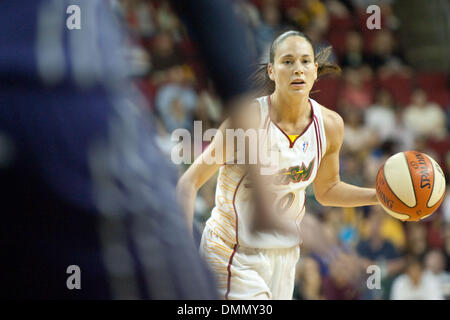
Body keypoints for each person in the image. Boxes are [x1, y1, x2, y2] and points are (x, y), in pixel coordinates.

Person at [176, 30, 380, 300]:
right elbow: (189, 182)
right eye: (288, 61)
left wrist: (379, 196)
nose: (298, 69)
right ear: (272, 71)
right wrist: (181, 253)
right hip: (230, 252)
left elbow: (327, 190)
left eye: (305, 61)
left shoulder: (330, 125)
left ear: (315, 71)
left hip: (283, 257)